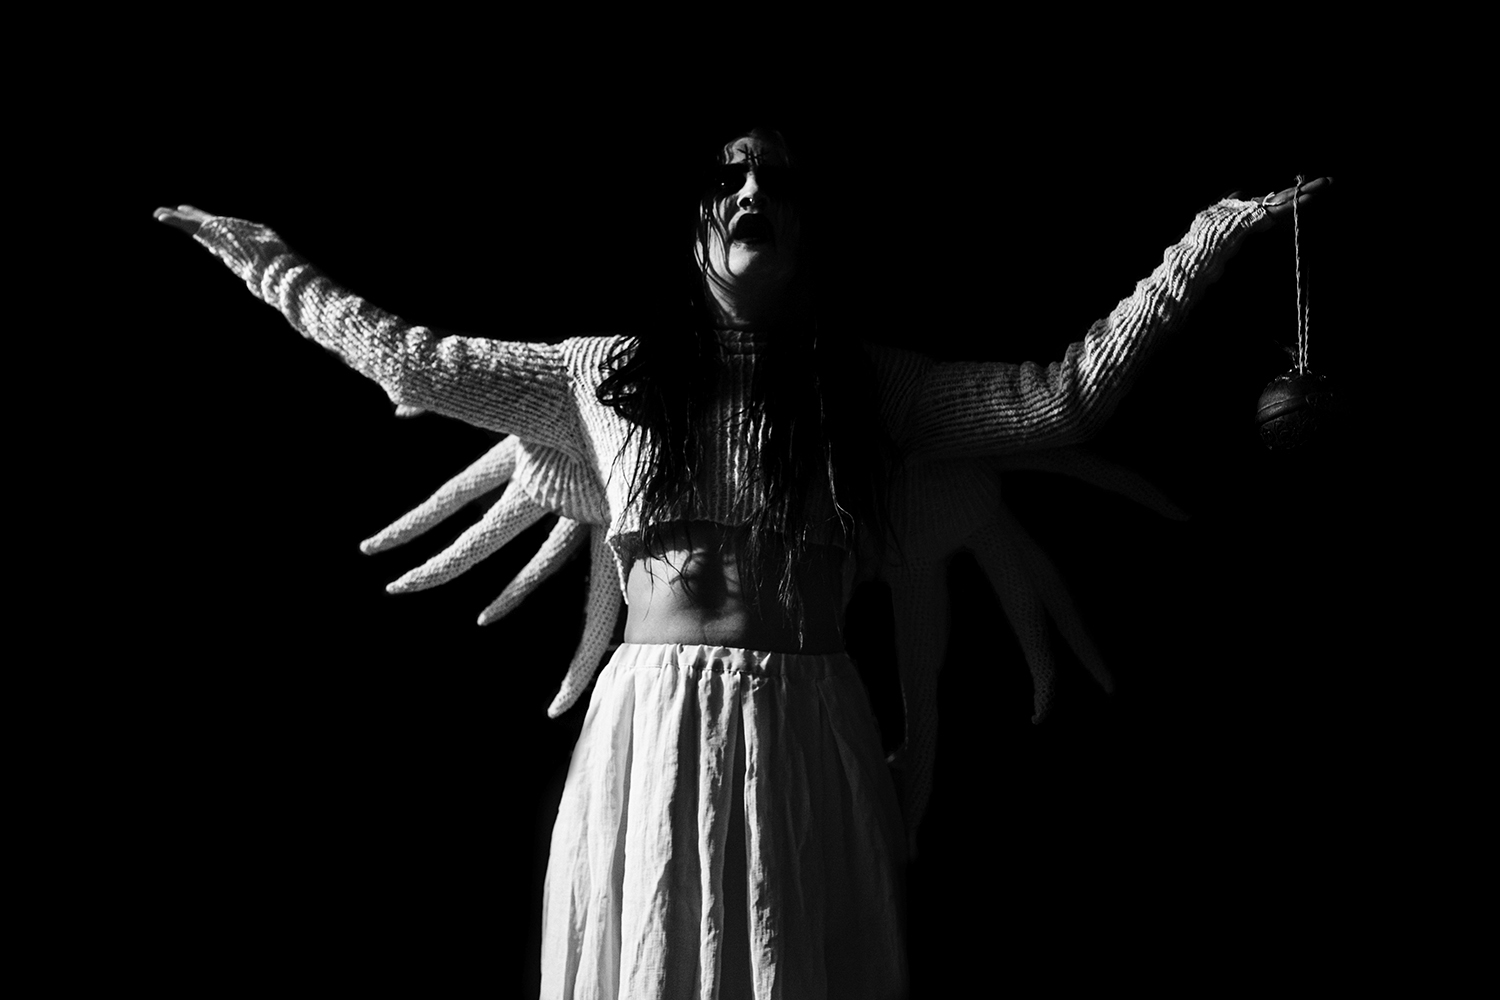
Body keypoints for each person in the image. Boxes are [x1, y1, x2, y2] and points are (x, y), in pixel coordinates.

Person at [155, 128, 1327, 1000]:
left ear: (811, 234)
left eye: (777, 181)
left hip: (809, 722)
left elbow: (1063, 399)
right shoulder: (601, 373)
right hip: (650, 727)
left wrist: (1210, 238)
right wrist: (268, 262)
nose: (753, 191)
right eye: (728, 178)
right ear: (694, 229)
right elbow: (412, 361)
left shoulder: (870, 388)